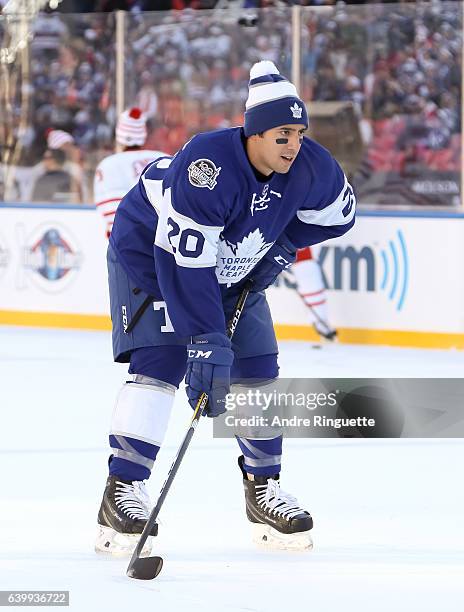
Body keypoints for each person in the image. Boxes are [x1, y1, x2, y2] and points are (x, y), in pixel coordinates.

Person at [95, 60, 356, 556]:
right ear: (254, 133)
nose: (294, 144)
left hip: (237, 261)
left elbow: (341, 215)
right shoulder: (206, 167)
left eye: (299, 133)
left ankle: (263, 489)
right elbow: (184, 264)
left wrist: (282, 246)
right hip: (152, 256)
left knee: (256, 368)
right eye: (283, 134)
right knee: (165, 361)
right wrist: (204, 341)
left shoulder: (311, 166)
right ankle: (122, 490)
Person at [93, 107, 167, 238]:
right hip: (164, 241)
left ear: (119, 136)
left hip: (128, 242)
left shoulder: (108, 164)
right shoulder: (165, 159)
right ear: (143, 134)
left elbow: (110, 213)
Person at [292, 247, 337, 341]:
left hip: (305, 262)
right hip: (302, 263)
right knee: (313, 292)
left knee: (316, 292)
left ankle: (321, 323)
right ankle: (320, 323)